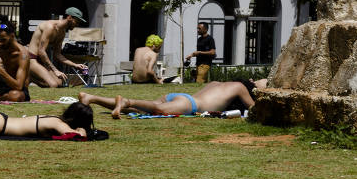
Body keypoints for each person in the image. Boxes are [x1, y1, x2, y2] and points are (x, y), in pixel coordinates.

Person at [79, 79, 267, 119]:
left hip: (181, 97)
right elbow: (255, 110)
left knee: (147, 108)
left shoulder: (218, 83)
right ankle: (126, 102)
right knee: (154, 109)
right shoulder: (240, 88)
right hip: (190, 104)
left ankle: (91, 97)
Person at [26, 7, 88, 88]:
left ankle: (31, 77)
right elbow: (41, 51)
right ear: (69, 17)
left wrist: (75, 65)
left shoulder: (61, 32)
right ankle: (28, 75)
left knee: (59, 83)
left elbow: (57, 54)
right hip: (31, 59)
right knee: (53, 85)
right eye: (77, 21)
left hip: (42, 61)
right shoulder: (50, 27)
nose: (77, 24)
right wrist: (55, 70)